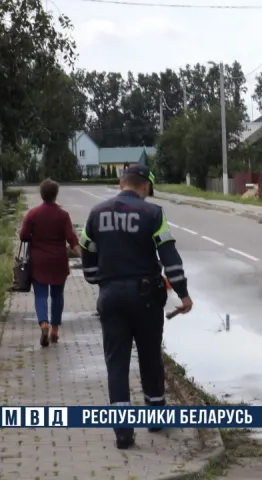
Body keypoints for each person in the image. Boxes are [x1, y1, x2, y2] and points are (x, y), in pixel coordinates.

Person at [79, 164, 193, 449]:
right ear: (144, 187)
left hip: (111, 297)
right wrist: (183, 293)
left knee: (116, 362)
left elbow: (87, 251)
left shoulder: (95, 214)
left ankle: (122, 432)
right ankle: (155, 416)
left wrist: (98, 280)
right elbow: (169, 255)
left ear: (121, 184)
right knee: (149, 355)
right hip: (145, 298)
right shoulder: (153, 214)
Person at [19, 179, 80, 347]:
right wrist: (82, 254)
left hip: (39, 261)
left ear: (41, 194)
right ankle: (54, 330)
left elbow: (23, 235)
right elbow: (72, 239)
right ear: (55, 194)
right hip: (59, 261)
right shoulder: (63, 215)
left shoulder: (33, 214)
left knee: (40, 295)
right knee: (57, 295)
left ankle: (43, 323)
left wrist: (36, 238)